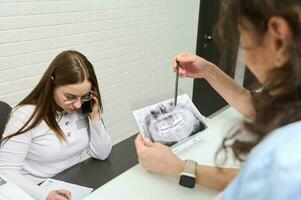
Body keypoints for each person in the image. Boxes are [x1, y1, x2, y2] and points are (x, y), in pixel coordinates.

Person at [135, 0, 301, 199]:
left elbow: (263, 180)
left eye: (244, 40)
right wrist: (208, 70)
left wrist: (179, 168)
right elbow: (252, 105)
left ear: (278, 39)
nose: (245, 56)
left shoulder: (286, 165)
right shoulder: (290, 93)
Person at [0, 50, 112, 200]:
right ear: (52, 82)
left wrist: (95, 116)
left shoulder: (81, 109)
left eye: (84, 96)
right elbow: (6, 171)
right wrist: (45, 195)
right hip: (34, 190)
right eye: (70, 97)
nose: (78, 104)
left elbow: (101, 153)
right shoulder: (25, 115)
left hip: (72, 185)